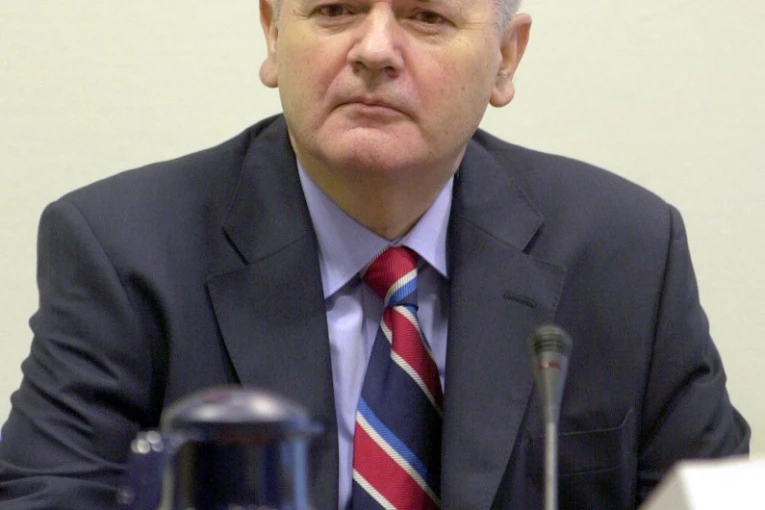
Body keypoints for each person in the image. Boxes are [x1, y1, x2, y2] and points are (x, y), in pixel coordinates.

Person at [0, 0, 750, 508]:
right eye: (335, 10)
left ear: (505, 59)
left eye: (426, 16)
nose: (374, 51)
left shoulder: (627, 254)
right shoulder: (124, 250)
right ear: (271, 34)